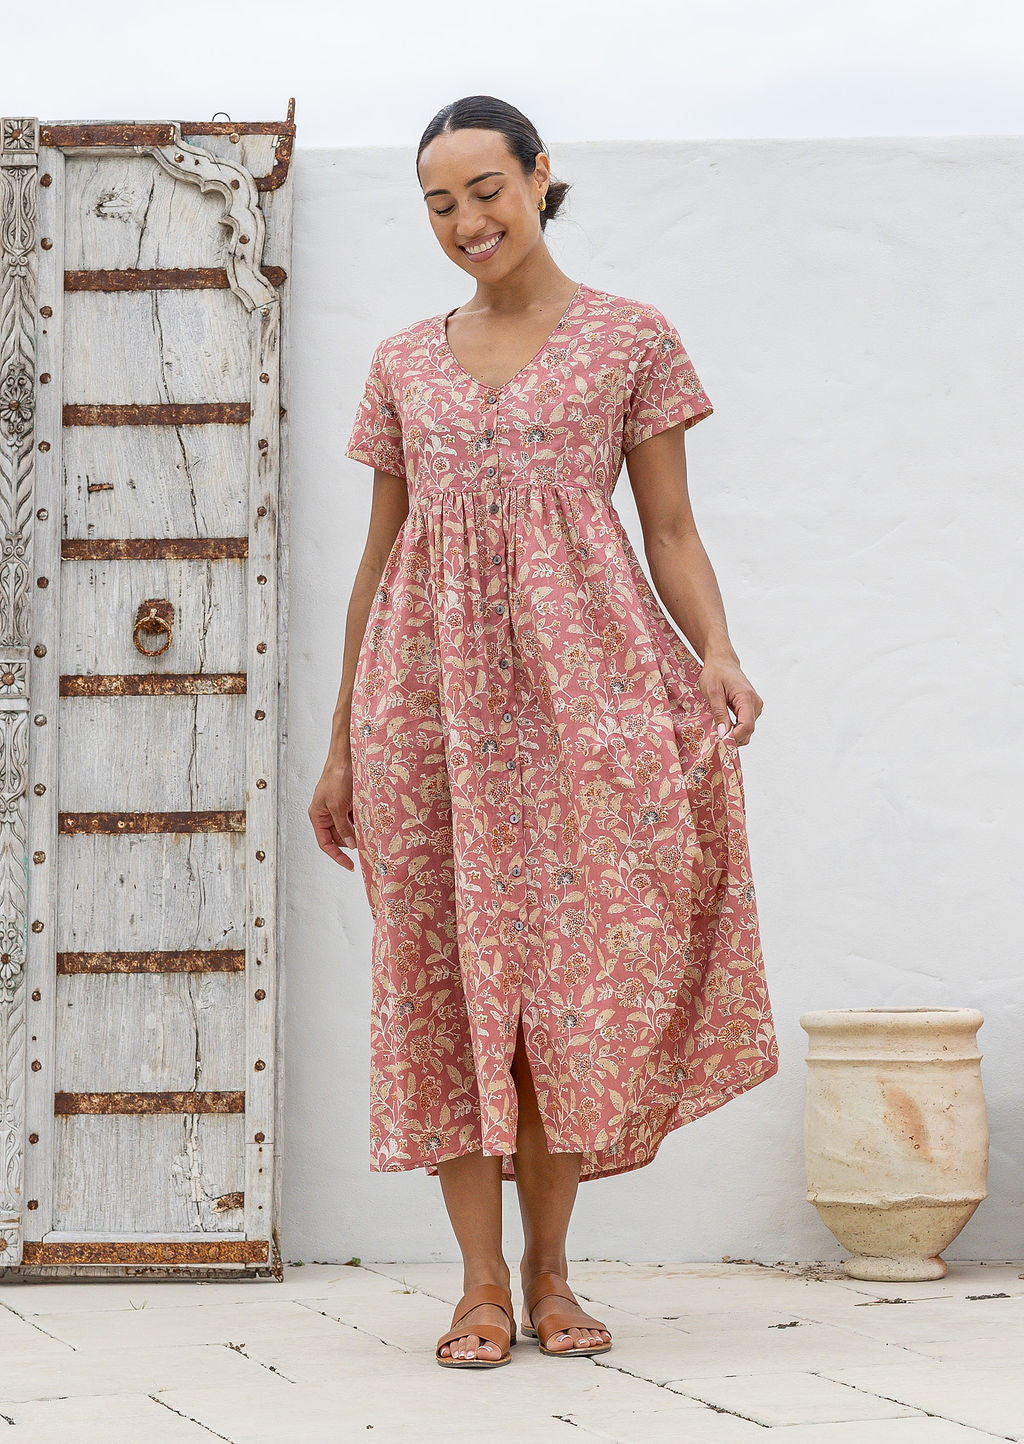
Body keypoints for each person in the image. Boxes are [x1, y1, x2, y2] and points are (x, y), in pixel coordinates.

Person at [310, 94, 780, 1370]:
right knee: (444, 986)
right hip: (425, 707)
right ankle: (475, 1285)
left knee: (566, 991)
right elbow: (380, 559)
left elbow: (669, 528)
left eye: (485, 190)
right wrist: (344, 737)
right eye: (439, 203)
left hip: (586, 698)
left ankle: (550, 1270)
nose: (466, 220)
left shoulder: (632, 338)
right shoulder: (402, 362)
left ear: (537, 177)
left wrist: (717, 650)